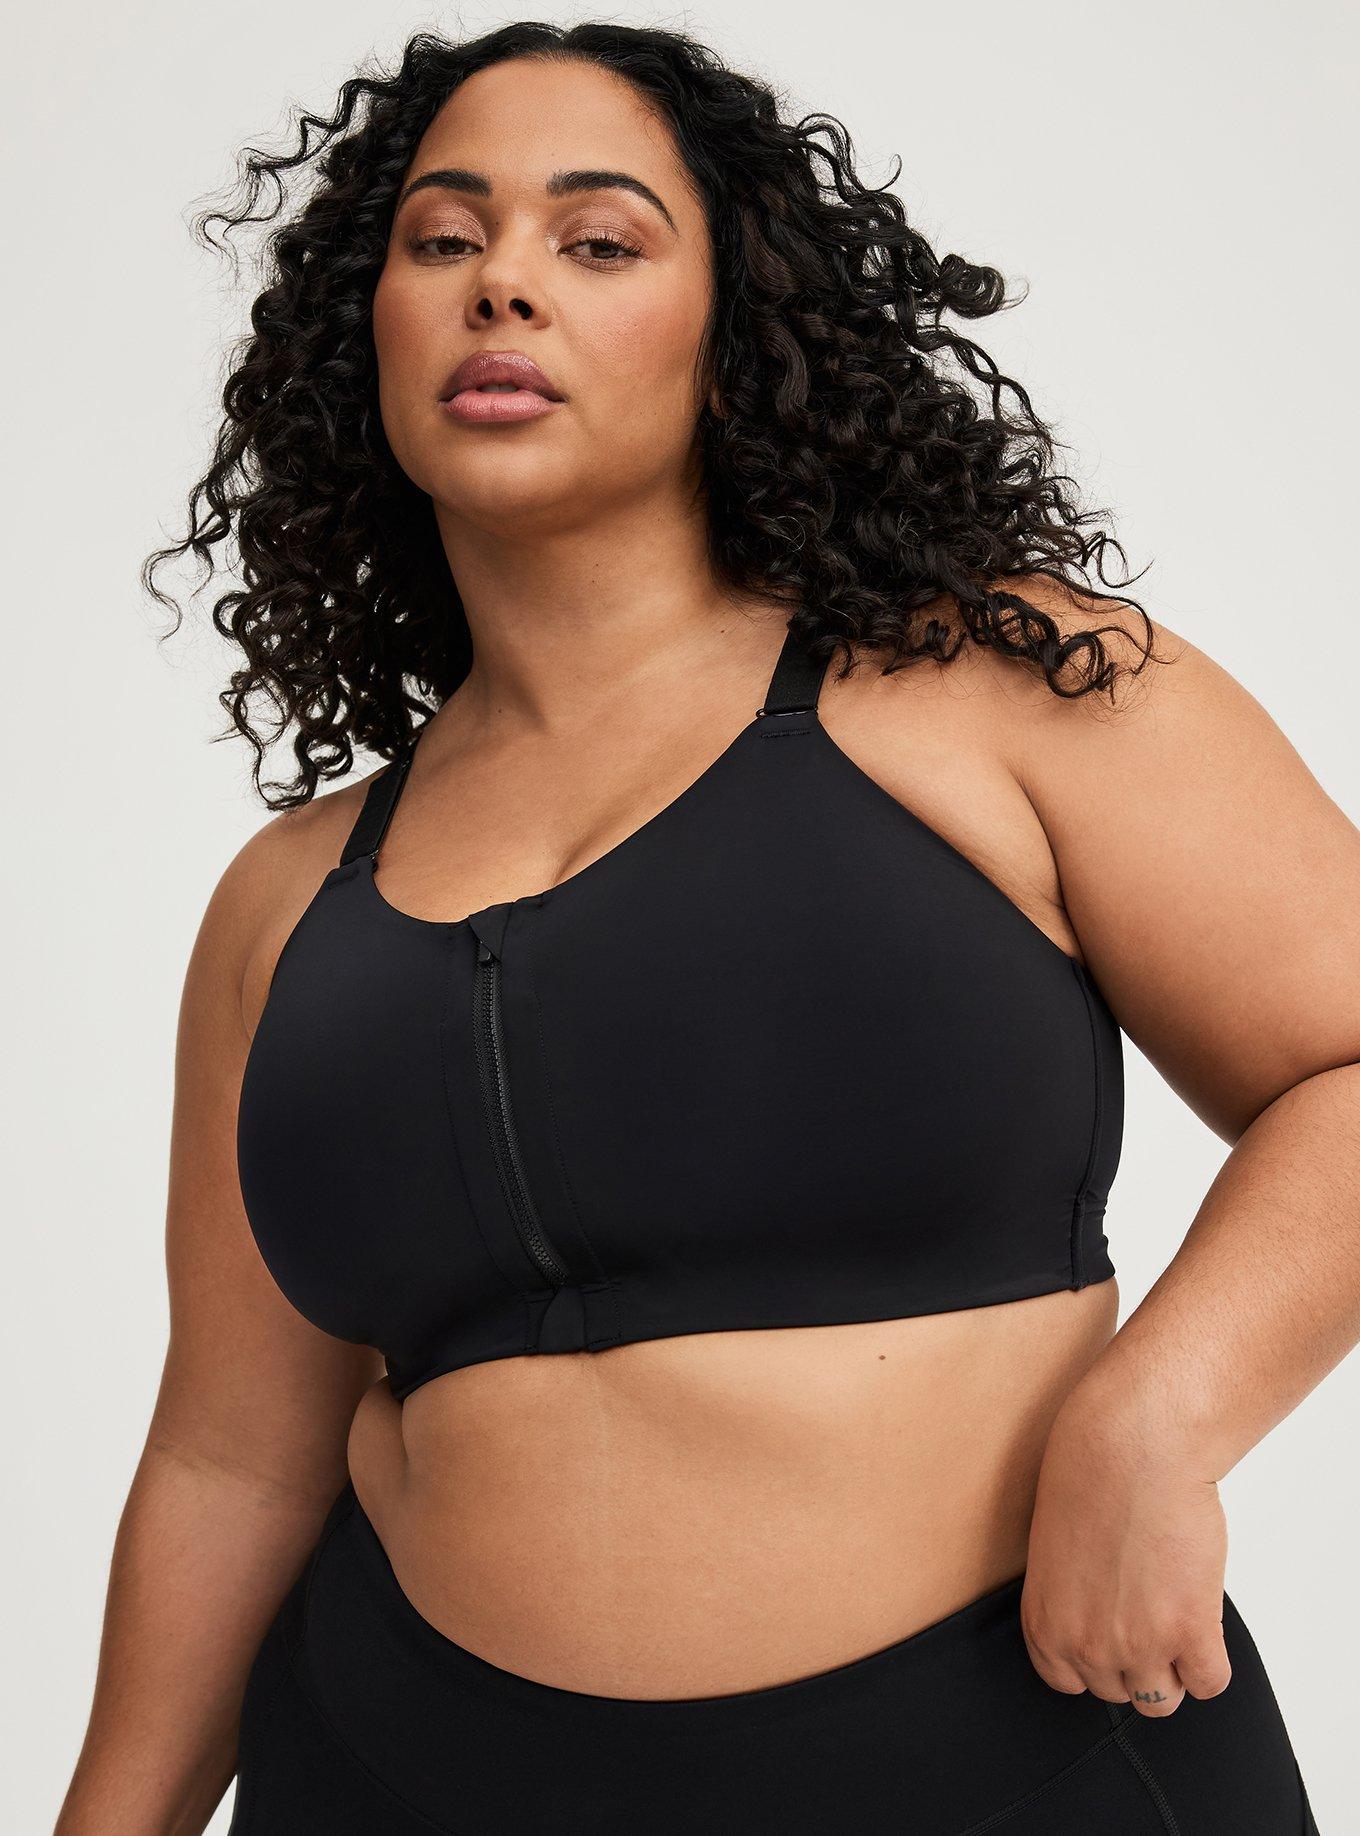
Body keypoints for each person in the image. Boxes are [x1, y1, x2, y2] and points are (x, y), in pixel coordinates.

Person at [57, 20, 1349, 1834]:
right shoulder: (290, 904)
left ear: (735, 341)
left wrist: (1158, 1420)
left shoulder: (1003, 687)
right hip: (398, 1779)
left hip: (1010, 1761)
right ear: (370, 339)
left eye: (597, 240)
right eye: (444, 239)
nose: (504, 282)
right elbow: (230, 1464)